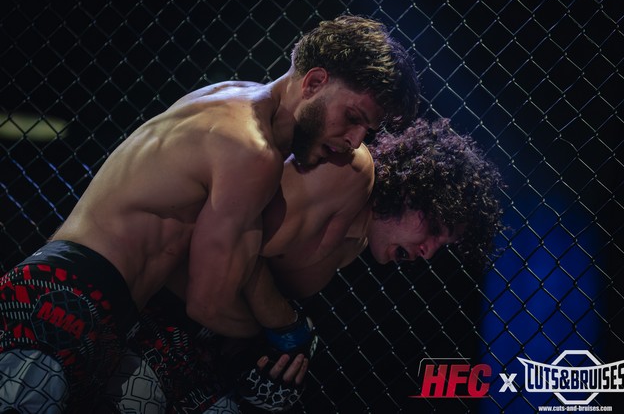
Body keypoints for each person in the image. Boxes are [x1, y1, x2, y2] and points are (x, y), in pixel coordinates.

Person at [0, 15, 419, 413]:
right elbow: (209, 304)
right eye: (352, 118)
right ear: (313, 82)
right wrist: (283, 336)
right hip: (68, 297)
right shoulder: (251, 149)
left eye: (367, 130)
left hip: (87, 300)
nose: (355, 141)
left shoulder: (230, 97)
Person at [105, 118, 504, 413]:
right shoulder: (345, 174)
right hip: (154, 308)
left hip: (201, 344)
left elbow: (253, 297)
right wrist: (286, 324)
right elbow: (237, 242)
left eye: (442, 247)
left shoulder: (353, 244)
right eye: (432, 229)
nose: (428, 252)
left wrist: (269, 356)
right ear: (412, 189)